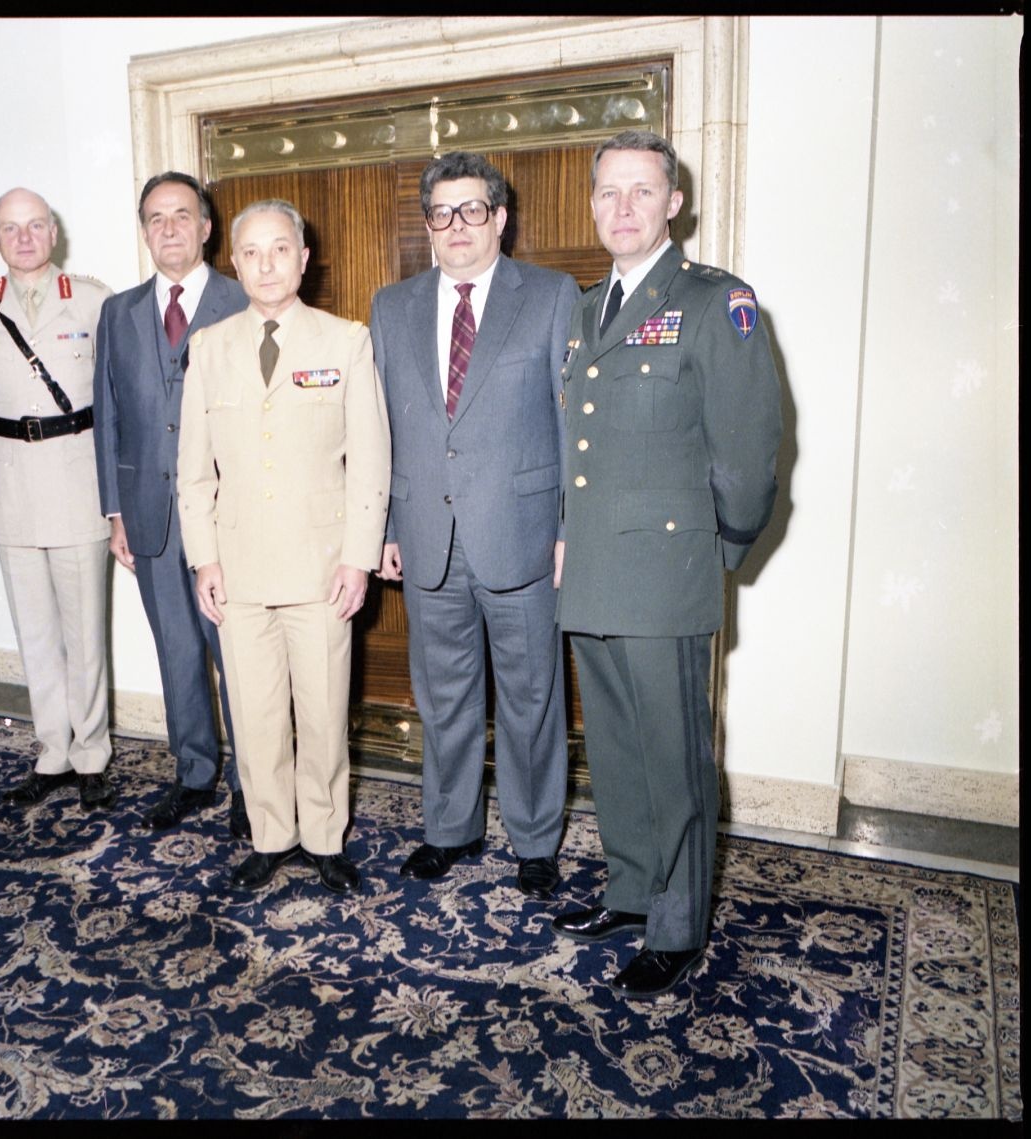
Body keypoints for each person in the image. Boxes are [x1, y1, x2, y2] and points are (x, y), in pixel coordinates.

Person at [552, 129, 782, 998]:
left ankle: (678, 924)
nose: (622, 208)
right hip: (597, 572)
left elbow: (749, 450)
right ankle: (630, 887)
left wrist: (713, 553)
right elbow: (583, 444)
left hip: (667, 574)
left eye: (641, 192)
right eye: (608, 192)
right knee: (613, 747)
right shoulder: (585, 308)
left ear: (673, 202)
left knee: (676, 755)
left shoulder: (716, 302)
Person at [369, 152, 578, 898]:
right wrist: (386, 524)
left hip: (522, 538)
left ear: (501, 216)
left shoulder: (553, 298)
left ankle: (534, 840)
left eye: (472, 210)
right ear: (427, 223)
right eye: (441, 212)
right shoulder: (390, 306)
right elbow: (383, 427)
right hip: (428, 536)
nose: (457, 226)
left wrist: (567, 528)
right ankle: (449, 827)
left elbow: (571, 423)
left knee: (530, 698)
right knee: (445, 695)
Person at [176, 199, 391, 894]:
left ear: (304, 259)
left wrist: (359, 557)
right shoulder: (209, 347)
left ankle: (326, 836)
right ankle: (272, 834)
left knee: (325, 712)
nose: (266, 264)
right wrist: (203, 557)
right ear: (233, 263)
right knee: (257, 713)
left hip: (321, 568)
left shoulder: (345, 341)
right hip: (237, 569)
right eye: (252, 252)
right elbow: (193, 467)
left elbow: (371, 460)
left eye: (280, 250)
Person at [93, 172, 251, 839]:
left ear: (206, 226)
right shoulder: (120, 312)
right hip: (151, 513)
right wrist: (115, 511)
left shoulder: (245, 300)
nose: (168, 229)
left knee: (238, 654)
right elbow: (108, 414)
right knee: (178, 650)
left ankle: (254, 782)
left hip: (228, 518)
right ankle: (193, 772)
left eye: (181, 215)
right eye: (155, 217)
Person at [0, 188, 116, 813]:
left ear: (53, 233)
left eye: (34, 226)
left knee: (85, 632)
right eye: (9, 228)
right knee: (35, 633)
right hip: (12, 486)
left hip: (78, 482)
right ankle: (52, 750)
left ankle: (93, 753)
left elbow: (112, 398)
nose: (23, 238)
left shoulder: (95, 300)